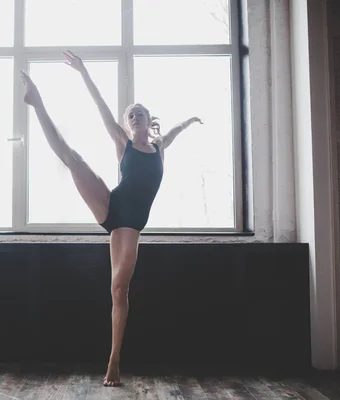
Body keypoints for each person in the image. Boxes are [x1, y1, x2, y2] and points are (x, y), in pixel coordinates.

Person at [20, 50, 203, 387]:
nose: (134, 117)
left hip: (131, 225)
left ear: (149, 120)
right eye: (130, 115)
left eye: (139, 114)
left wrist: (189, 121)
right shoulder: (123, 143)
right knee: (71, 157)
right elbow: (100, 104)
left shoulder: (160, 148)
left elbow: (174, 131)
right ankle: (37, 102)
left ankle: (114, 359)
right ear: (127, 122)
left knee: (119, 290)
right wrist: (84, 71)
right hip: (112, 205)